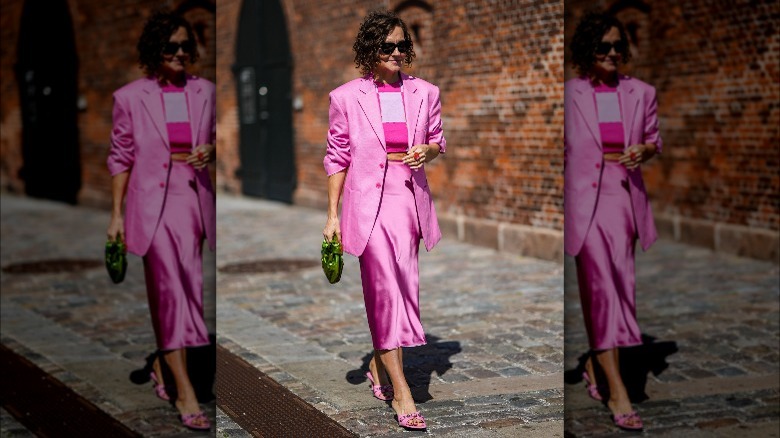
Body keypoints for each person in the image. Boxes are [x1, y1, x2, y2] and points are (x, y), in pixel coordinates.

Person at [322, 9, 446, 431]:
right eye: (387, 46)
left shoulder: (425, 92)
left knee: (404, 288)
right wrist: (332, 217)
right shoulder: (345, 97)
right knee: (384, 292)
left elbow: (436, 141)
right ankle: (403, 392)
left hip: (407, 201)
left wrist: (426, 152)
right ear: (370, 50)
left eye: (401, 45)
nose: (396, 52)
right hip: (366, 207)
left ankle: (379, 366)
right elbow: (337, 157)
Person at [106, 11, 216, 431]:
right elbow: (120, 158)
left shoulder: (205, 90)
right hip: (151, 208)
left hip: (192, 203)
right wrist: (115, 216)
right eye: (171, 46)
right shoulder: (130, 98)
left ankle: (162, 367)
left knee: (190, 291)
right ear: (155, 50)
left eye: (187, 45)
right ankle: (184, 391)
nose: (181, 53)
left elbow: (213, 139)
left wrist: (210, 151)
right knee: (169, 291)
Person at [564, 11, 662, 432]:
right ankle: (617, 391)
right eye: (604, 46)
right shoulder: (568, 94)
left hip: (623, 201)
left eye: (619, 46)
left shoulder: (642, 92)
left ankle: (594, 364)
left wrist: (645, 150)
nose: (613, 53)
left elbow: (654, 140)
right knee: (600, 289)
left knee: (621, 290)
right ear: (588, 49)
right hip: (585, 206)